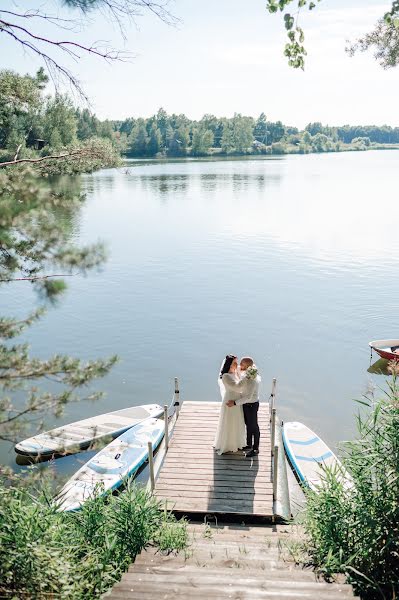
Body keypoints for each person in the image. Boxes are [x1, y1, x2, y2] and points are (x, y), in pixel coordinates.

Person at [226, 357, 261, 458]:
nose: (239, 365)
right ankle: (249, 444)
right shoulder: (248, 373)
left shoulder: (252, 378)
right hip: (246, 404)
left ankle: (255, 449)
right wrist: (235, 366)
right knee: (248, 425)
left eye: (241, 363)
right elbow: (241, 376)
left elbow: (248, 397)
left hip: (251, 404)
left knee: (254, 426)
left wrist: (235, 403)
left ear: (246, 366)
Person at [214, 355, 246, 455]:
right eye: (234, 363)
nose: (237, 364)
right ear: (229, 364)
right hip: (230, 401)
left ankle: (236, 443)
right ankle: (228, 444)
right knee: (229, 421)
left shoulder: (236, 372)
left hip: (237, 400)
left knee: (237, 420)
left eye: (237, 362)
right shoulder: (226, 376)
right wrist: (247, 379)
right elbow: (237, 387)